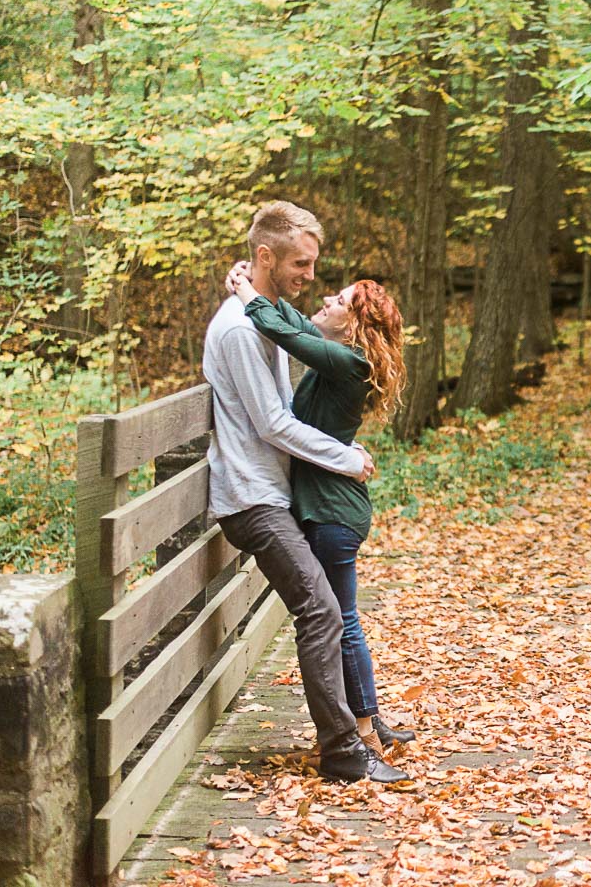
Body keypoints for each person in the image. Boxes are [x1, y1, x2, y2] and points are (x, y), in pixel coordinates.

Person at [203, 200, 409, 784]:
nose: (311, 276)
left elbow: (287, 338)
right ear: (264, 256)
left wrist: (253, 296)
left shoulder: (264, 319)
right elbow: (272, 422)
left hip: (271, 494)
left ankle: (354, 737)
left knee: (328, 610)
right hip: (252, 497)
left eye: (314, 264)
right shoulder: (244, 329)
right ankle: (345, 749)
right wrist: (347, 458)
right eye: (301, 262)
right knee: (324, 611)